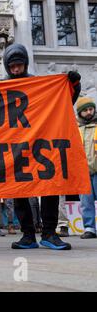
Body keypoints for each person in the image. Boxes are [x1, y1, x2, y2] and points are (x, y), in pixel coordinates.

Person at [3, 43, 81, 250]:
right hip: (16, 148)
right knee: (18, 191)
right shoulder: (1, 89)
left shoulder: (40, 85)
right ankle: (27, 235)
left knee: (49, 188)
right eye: (12, 67)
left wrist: (74, 85)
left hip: (42, 146)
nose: (16, 70)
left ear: (25, 64)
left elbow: (62, 102)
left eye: (19, 66)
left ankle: (49, 233)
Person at [76, 97, 97, 239]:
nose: (89, 112)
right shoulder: (75, 129)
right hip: (82, 172)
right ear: (80, 113)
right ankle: (89, 228)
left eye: (91, 109)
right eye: (85, 110)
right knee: (86, 202)